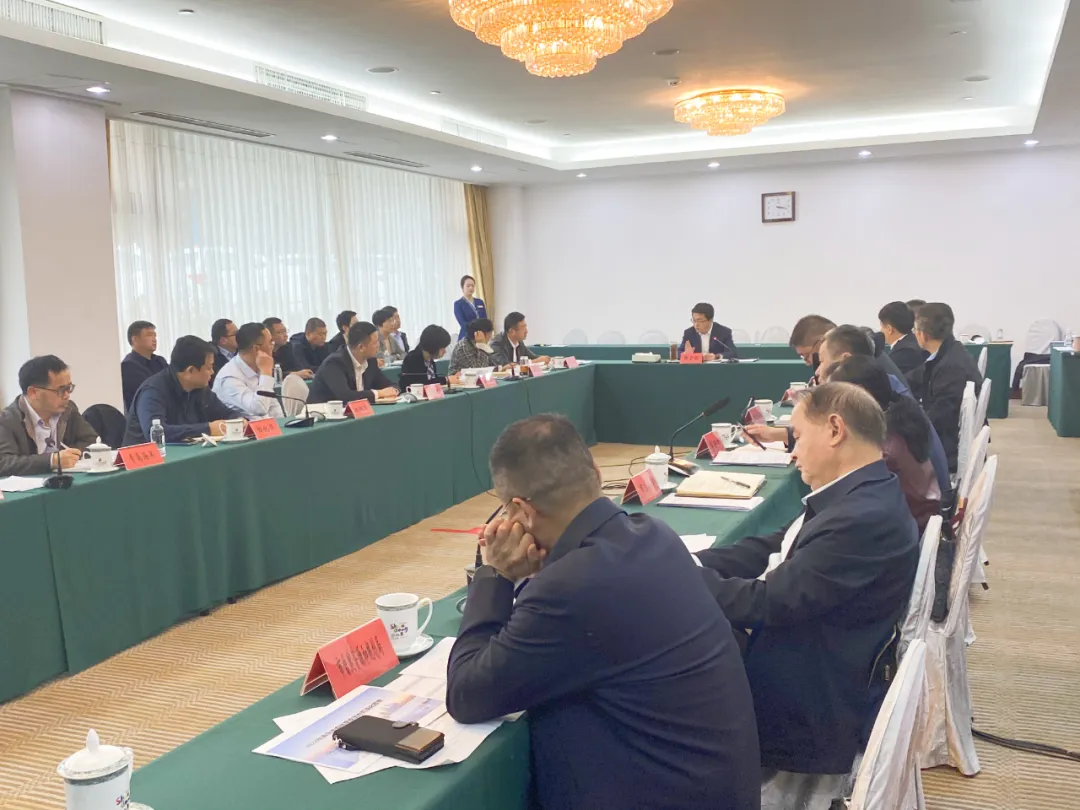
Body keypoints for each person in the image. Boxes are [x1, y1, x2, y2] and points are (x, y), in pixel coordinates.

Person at [447, 415, 760, 810]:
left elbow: (466, 695)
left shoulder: (570, 587)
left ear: (521, 511)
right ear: (595, 471)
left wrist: (495, 575)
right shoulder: (654, 533)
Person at [696, 383, 919, 775]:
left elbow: (766, 603)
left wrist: (679, 576)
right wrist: (695, 560)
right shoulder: (862, 491)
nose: (792, 451)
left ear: (835, 430)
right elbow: (776, 544)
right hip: (813, 655)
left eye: (798, 437)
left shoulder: (860, 518)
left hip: (807, 703)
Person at [824, 356, 941, 531]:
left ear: (861, 393)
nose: (829, 408)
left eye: (833, 398)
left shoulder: (882, 451)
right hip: (915, 520)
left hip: (903, 531)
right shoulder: (899, 415)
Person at [123, 336, 245, 446]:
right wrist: (208, 429)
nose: (212, 372)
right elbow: (156, 432)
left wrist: (239, 419)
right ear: (190, 371)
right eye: (208, 368)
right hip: (149, 459)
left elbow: (225, 413)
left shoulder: (200, 388)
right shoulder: (153, 391)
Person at [907, 303, 984, 473]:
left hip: (947, 450)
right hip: (949, 437)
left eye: (914, 330)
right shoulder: (949, 352)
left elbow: (938, 419)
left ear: (923, 335)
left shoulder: (951, 367)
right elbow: (916, 376)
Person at [0, 355, 96, 475]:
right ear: (33, 392)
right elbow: (4, 463)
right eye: (61, 390)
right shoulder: (7, 421)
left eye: (69, 388)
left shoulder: (68, 409)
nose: (67, 395)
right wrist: (51, 460)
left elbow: (92, 441)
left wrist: (68, 456)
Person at [308, 321, 399, 405]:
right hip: (323, 413)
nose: (378, 346)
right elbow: (345, 396)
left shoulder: (370, 361)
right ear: (361, 347)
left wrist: (393, 390)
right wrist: (379, 393)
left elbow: (388, 384)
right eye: (375, 343)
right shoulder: (334, 363)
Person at [211, 322, 285, 419]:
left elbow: (273, 407)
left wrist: (283, 424)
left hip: (266, 426)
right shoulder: (229, 377)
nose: (273, 346)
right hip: (242, 428)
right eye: (270, 342)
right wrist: (266, 373)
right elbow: (259, 409)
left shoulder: (258, 367)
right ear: (256, 349)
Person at [121, 320, 168, 411]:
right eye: (149, 335)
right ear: (135, 339)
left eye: (155, 335)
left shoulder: (160, 361)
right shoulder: (128, 366)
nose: (154, 339)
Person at [398, 325, 461, 390]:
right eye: (442, 349)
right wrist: (446, 379)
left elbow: (433, 380)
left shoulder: (429, 359)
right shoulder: (412, 359)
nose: (445, 352)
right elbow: (422, 384)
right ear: (433, 347)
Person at [878, 301, 928, 376]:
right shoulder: (913, 342)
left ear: (889, 329)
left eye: (882, 326)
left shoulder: (904, 352)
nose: (880, 330)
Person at [453, 275, 489, 340]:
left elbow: (485, 319)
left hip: (481, 335)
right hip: (466, 336)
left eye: (472, 286)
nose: (471, 288)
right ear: (462, 287)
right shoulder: (458, 304)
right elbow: (463, 323)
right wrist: (476, 330)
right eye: (468, 286)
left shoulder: (480, 302)